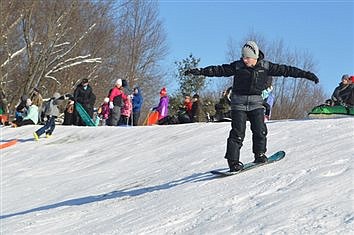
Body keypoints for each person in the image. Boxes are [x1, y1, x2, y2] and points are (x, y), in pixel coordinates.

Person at [185, 41, 319, 172]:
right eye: (243, 57)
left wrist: (307, 74)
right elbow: (218, 70)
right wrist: (199, 71)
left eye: (247, 57)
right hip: (239, 104)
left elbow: (288, 70)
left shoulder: (266, 66)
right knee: (237, 134)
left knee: (260, 130)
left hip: (256, 103)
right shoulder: (237, 66)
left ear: (255, 57)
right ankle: (233, 162)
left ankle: (259, 155)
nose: (245, 60)